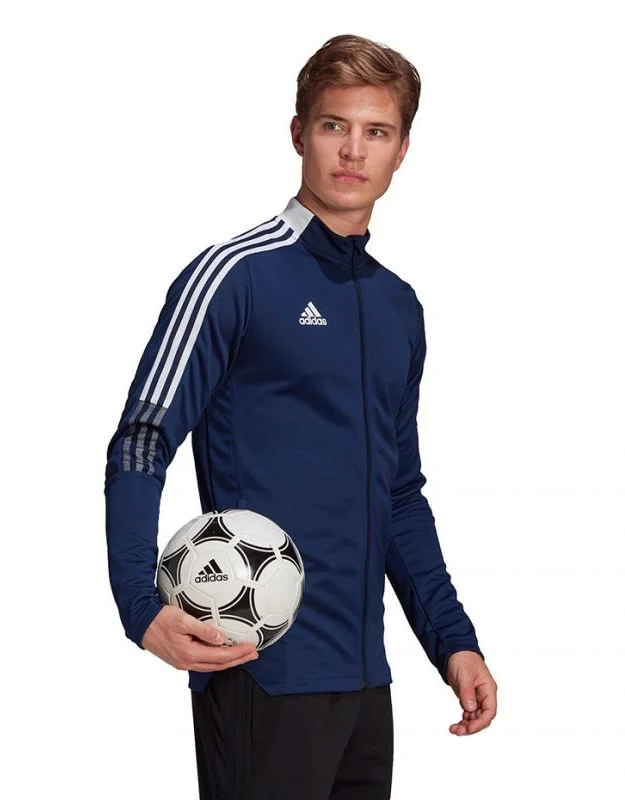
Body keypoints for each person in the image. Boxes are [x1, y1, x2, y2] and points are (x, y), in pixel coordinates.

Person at [104, 33, 497, 800]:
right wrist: (139, 607)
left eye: (376, 131)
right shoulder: (233, 276)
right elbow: (143, 440)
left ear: (402, 150)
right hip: (259, 665)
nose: (353, 151)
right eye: (333, 125)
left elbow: (399, 495)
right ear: (298, 133)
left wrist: (453, 642)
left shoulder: (398, 307)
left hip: (365, 682)